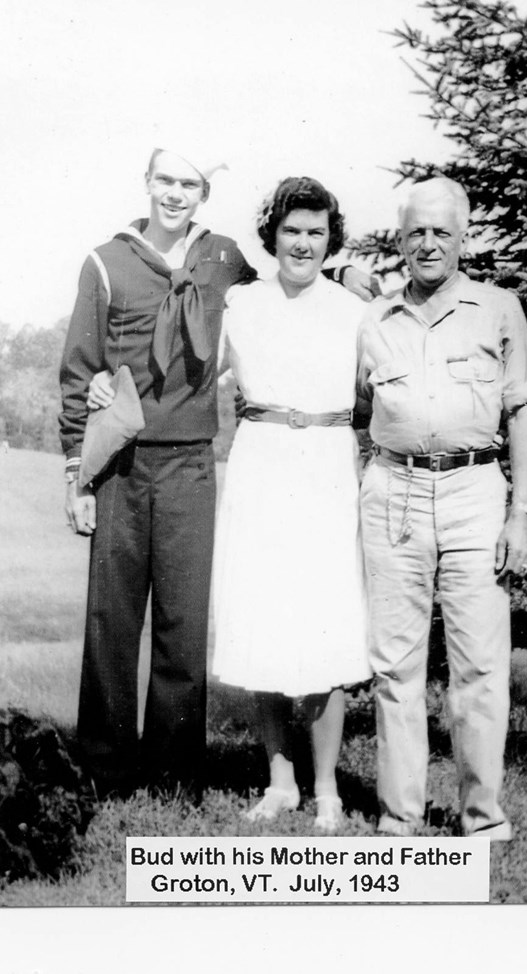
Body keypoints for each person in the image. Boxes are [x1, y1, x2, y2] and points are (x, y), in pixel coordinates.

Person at [60, 148, 373, 801]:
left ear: (204, 192)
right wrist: (82, 449)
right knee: (112, 620)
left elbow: (293, 281)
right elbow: (79, 367)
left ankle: (174, 775)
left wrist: (345, 272)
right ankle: (106, 771)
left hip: (196, 462)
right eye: (165, 180)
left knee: (184, 624)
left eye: (189, 184)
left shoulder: (222, 257)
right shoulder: (107, 262)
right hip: (124, 459)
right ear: (147, 183)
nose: (175, 194)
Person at [357, 177, 527, 839]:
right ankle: (399, 815)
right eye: (416, 232)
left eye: (442, 231)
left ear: (463, 238)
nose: (428, 243)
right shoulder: (374, 319)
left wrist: (520, 512)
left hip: (474, 497)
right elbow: (358, 411)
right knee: (395, 666)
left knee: (481, 665)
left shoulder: (498, 309)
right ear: (400, 240)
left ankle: (481, 815)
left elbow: (523, 414)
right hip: (394, 494)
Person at [211, 177, 371, 831]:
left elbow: (381, 389)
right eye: (292, 230)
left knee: (329, 626)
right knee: (260, 621)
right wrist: (110, 384)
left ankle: (328, 787)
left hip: (329, 465)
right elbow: (190, 370)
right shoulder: (241, 304)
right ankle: (280, 779)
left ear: (331, 238)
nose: (303, 243)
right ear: (271, 235)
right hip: (261, 461)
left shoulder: (356, 307)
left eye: (316, 231)